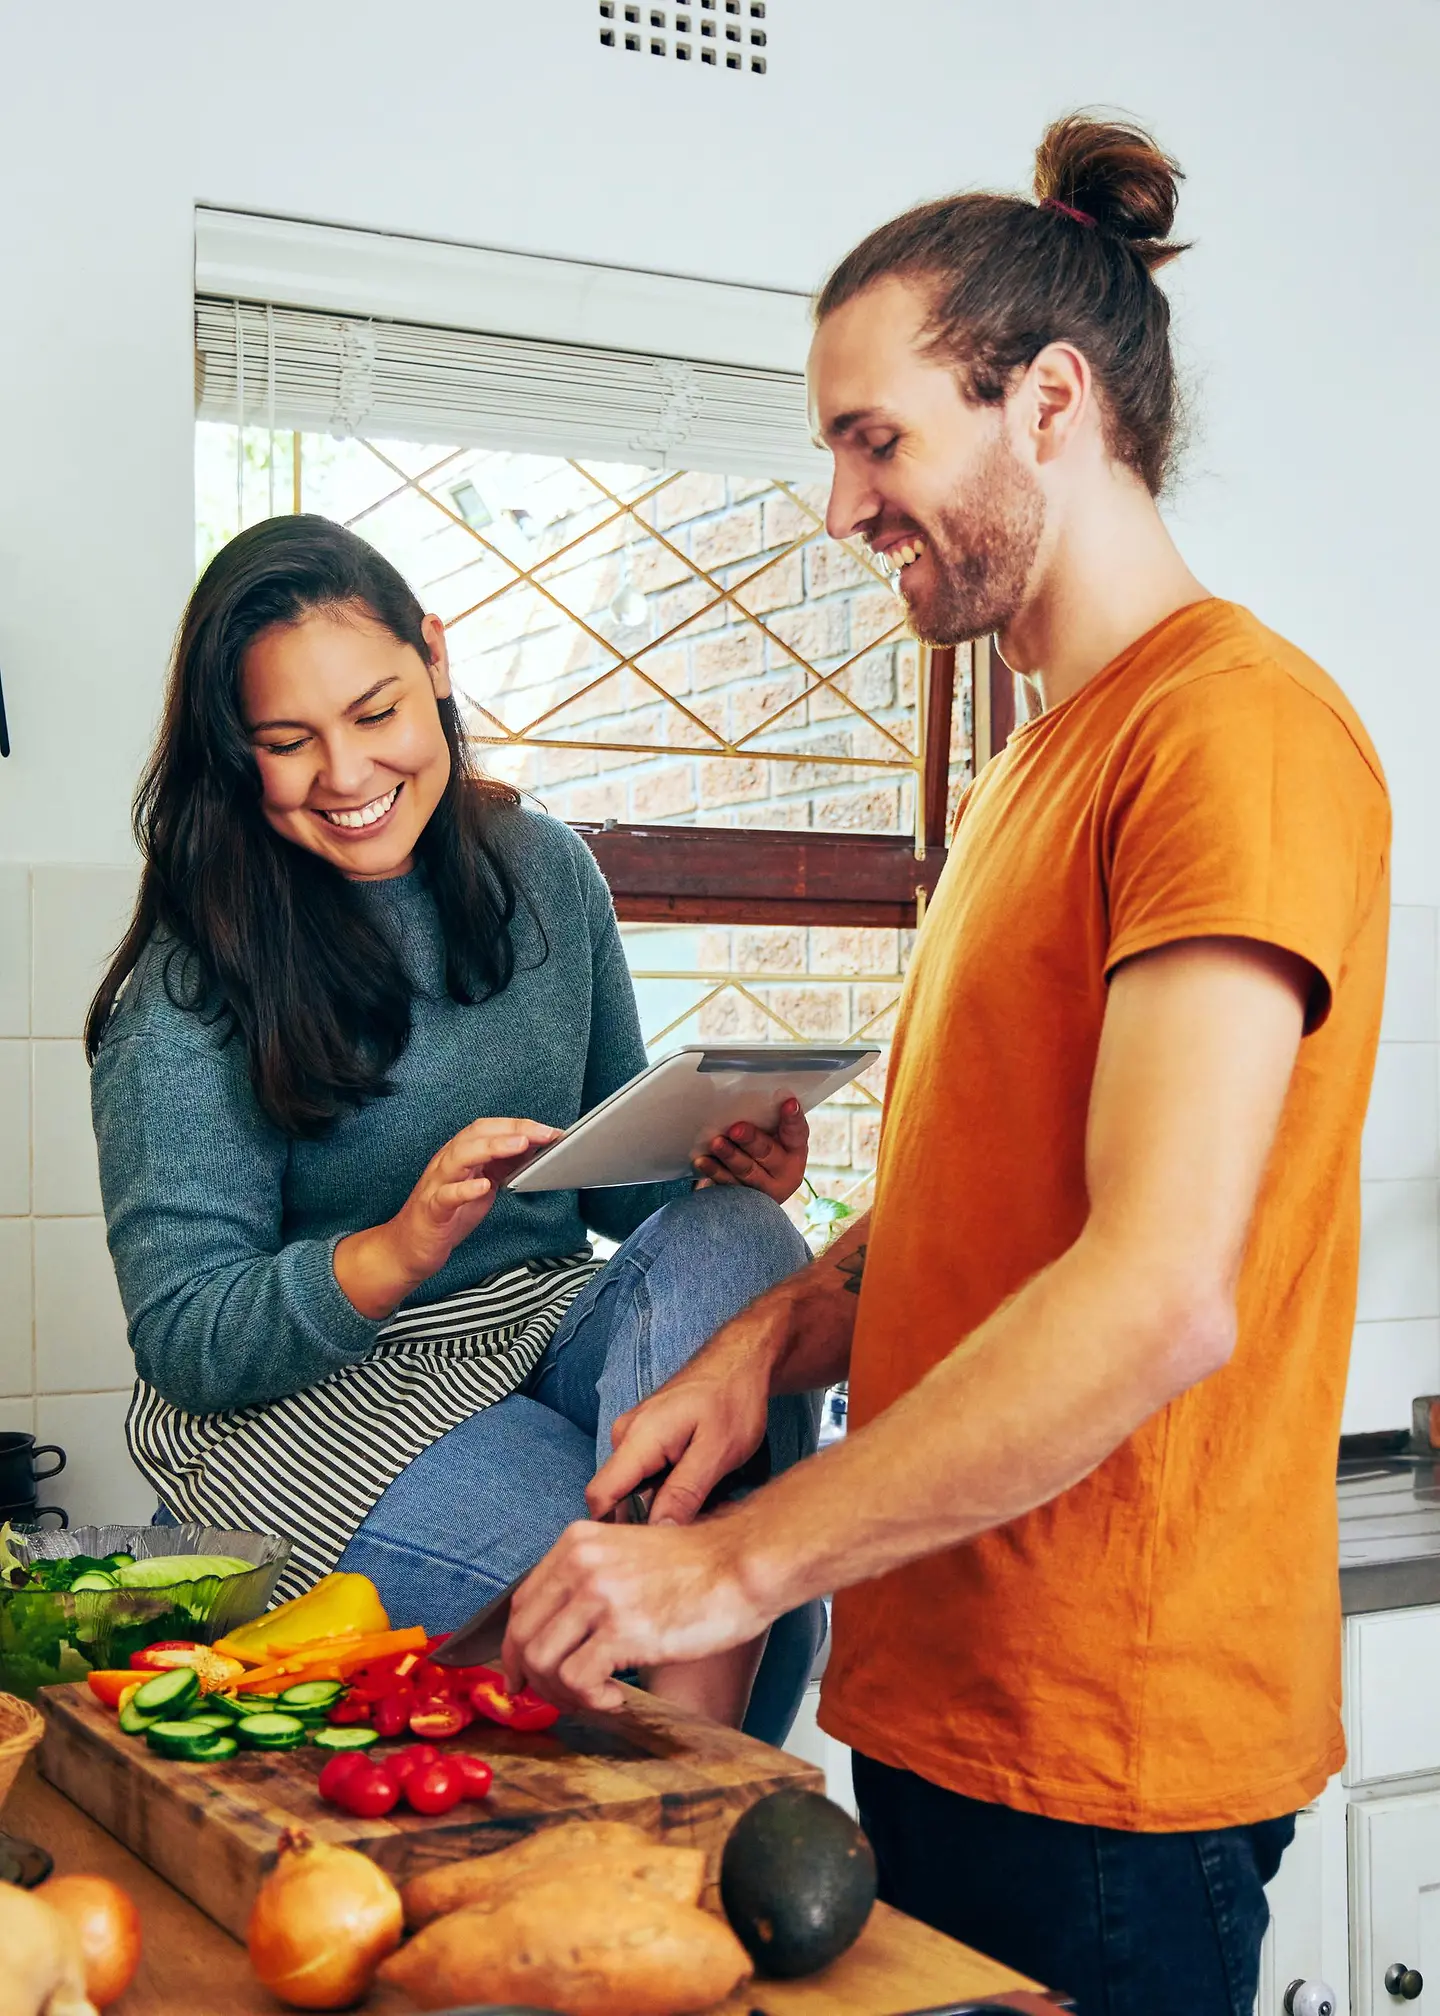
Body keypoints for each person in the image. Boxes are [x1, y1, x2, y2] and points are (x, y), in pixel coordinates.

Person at [499, 113, 1391, 2012]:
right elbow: (977, 1213)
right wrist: (768, 1343)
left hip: (1107, 1748)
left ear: (1048, 400)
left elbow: (1154, 1297)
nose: (840, 504)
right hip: (946, 1700)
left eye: (874, 437)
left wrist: (731, 1574)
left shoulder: (1231, 738)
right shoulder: (1030, 769)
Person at [86, 514, 824, 1741]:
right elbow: (186, 1341)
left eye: (375, 714)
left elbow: (627, 1209)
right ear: (236, 752)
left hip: (535, 1324)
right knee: (641, 1576)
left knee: (739, 1238)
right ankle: (702, 1759)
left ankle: (681, 1725)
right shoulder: (189, 985)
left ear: (434, 659)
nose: (346, 774)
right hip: (320, 1395)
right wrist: (399, 1244)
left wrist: (715, 1164)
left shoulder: (545, 873)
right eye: (287, 742)